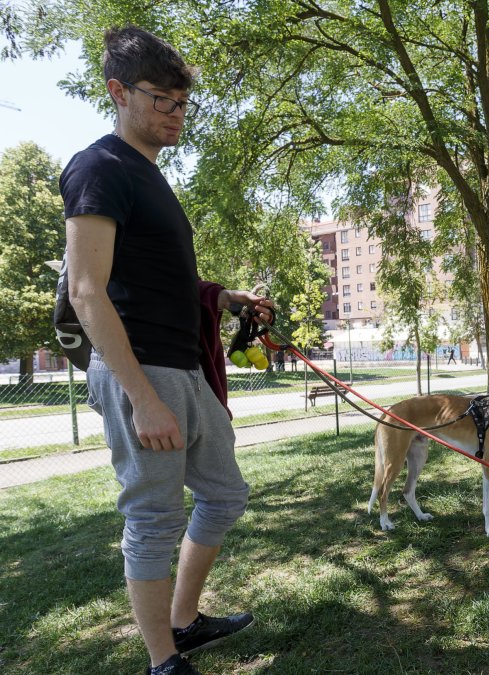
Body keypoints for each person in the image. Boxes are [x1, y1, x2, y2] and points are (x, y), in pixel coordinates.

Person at [61, 26, 272, 675]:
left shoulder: (149, 175)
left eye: (183, 103)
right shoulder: (99, 166)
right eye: (162, 101)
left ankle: (183, 621)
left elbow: (154, 277)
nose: (176, 115)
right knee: (154, 517)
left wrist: (226, 298)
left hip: (182, 364)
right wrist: (141, 397)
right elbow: (88, 290)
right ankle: (163, 662)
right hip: (142, 370)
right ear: (118, 92)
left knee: (224, 493)